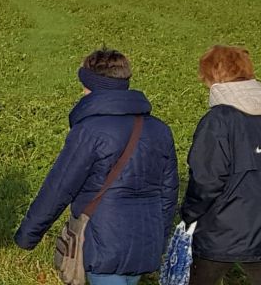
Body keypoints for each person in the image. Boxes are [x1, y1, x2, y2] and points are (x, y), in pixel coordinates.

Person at [15, 48, 178, 285]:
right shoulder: (160, 129)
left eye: (83, 85)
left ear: (92, 85)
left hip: (104, 239)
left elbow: (60, 187)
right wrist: (159, 238)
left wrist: (28, 234)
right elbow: (168, 192)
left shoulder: (90, 130)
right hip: (146, 239)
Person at [182, 45, 261, 285]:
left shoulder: (217, 121)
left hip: (221, 229)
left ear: (212, 75)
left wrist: (188, 215)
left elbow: (206, 180)